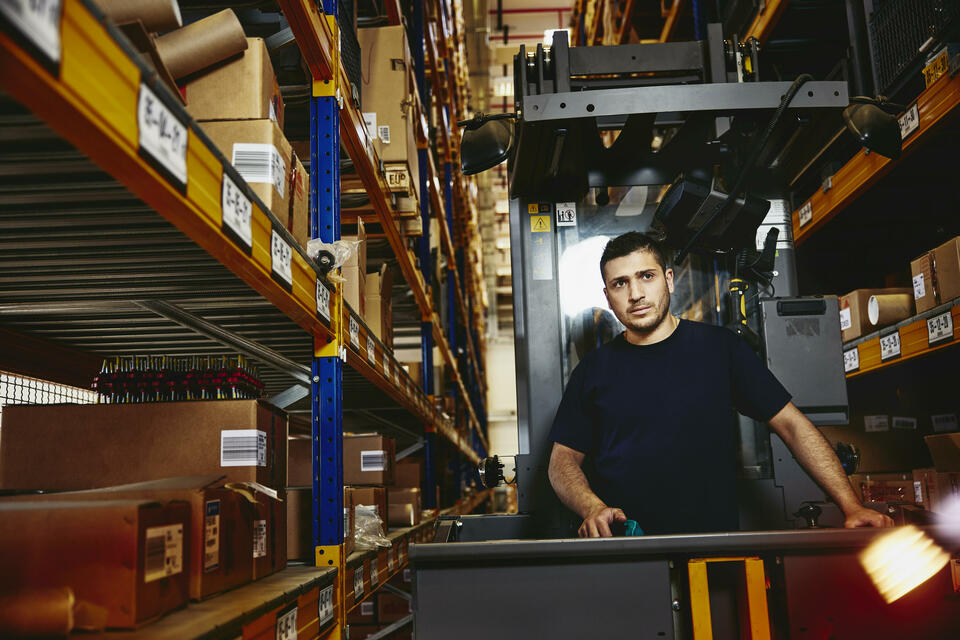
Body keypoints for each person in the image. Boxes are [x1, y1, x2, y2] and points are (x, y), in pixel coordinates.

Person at [547, 231, 893, 537]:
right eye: (620, 283)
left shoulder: (718, 349)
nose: (635, 293)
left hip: (713, 547)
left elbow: (791, 425)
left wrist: (852, 506)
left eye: (646, 276)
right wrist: (591, 508)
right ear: (607, 296)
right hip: (626, 551)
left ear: (668, 279)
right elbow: (561, 461)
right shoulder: (593, 371)